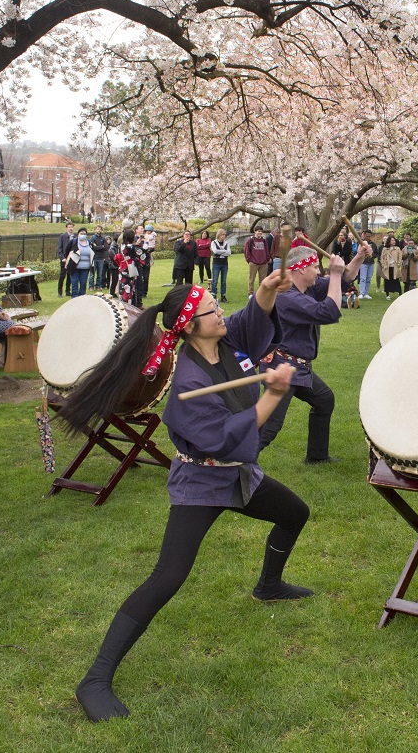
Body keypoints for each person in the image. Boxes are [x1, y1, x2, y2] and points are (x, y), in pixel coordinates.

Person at [55, 275, 312, 723]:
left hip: (240, 479)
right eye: (212, 309)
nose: (221, 313)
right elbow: (223, 439)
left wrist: (269, 288)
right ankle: (94, 679)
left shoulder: (226, 344)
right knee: (167, 577)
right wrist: (272, 394)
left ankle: (268, 585)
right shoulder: (188, 382)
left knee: (295, 513)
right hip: (203, 484)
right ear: (191, 326)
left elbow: (253, 319)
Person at [258, 245, 366, 463]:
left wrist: (359, 257)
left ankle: (317, 457)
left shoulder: (306, 288)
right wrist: (334, 273)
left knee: (324, 400)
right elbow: (329, 311)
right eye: (315, 267)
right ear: (300, 269)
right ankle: (230, 464)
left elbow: (344, 280)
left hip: (299, 367)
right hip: (283, 368)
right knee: (269, 427)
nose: (319, 271)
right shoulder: (285, 296)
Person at [244, 227, 272, 297]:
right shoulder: (250, 240)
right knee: (251, 279)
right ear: (255, 232)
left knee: (262, 280)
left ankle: (261, 293)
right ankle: (250, 293)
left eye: (261, 231)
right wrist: (250, 260)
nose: (260, 232)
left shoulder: (264, 240)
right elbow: (247, 251)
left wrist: (267, 259)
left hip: (263, 263)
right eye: (258, 231)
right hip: (253, 263)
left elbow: (267, 250)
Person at [66, 227, 93, 297]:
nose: (83, 235)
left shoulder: (89, 242)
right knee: (74, 283)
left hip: (85, 268)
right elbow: (66, 251)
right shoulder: (73, 242)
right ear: (78, 234)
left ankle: (82, 297)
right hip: (74, 267)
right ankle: (74, 297)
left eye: (84, 234)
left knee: (83, 283)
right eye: (81, 233)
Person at [380, 234, 405, 298]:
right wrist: (383, 265)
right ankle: (387, 294)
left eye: (394, 240)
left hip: (395, 266)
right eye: (392, 240)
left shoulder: (397, 249)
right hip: (387, 267)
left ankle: (399, 293)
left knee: (396, 280)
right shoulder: (385, 249)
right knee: (387, 280)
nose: (394, 241)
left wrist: (399, 263)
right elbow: (382, 257)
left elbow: (400, 256)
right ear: (389, 241)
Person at [209, 229, 230, 302]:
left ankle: (223, 296)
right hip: (216, 263)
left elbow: (229, 253)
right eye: (222, 234)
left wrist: (220, 252)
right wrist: (224, 252)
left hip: (224, 264)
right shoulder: (214, 242)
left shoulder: (226, 243)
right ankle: (213, 295)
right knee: (215, 280)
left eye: (224, 235)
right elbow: (215, 251)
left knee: (223, 281)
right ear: (219, 235)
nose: (224, 236)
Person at [56, 222, 76, 297]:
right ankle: (59, 292)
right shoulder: (62, 236)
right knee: (62, 275)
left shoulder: (75, 237)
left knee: (70, 275)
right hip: (64, 259)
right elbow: (59, 248)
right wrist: (62, 258)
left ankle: (68, 291)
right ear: (66, 228)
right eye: (69, 227)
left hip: (72, 258)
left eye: (72, 227)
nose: (71, 228)